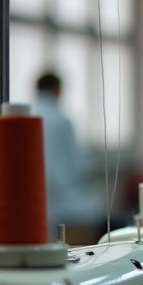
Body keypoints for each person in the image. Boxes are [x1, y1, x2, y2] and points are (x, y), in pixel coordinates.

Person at [32, 72, 104, 242]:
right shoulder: (62, 120)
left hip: (35, 203)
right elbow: (78, 166)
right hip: (64, 201)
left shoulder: (27, 118)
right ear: (57, 89)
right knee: (99, 211)